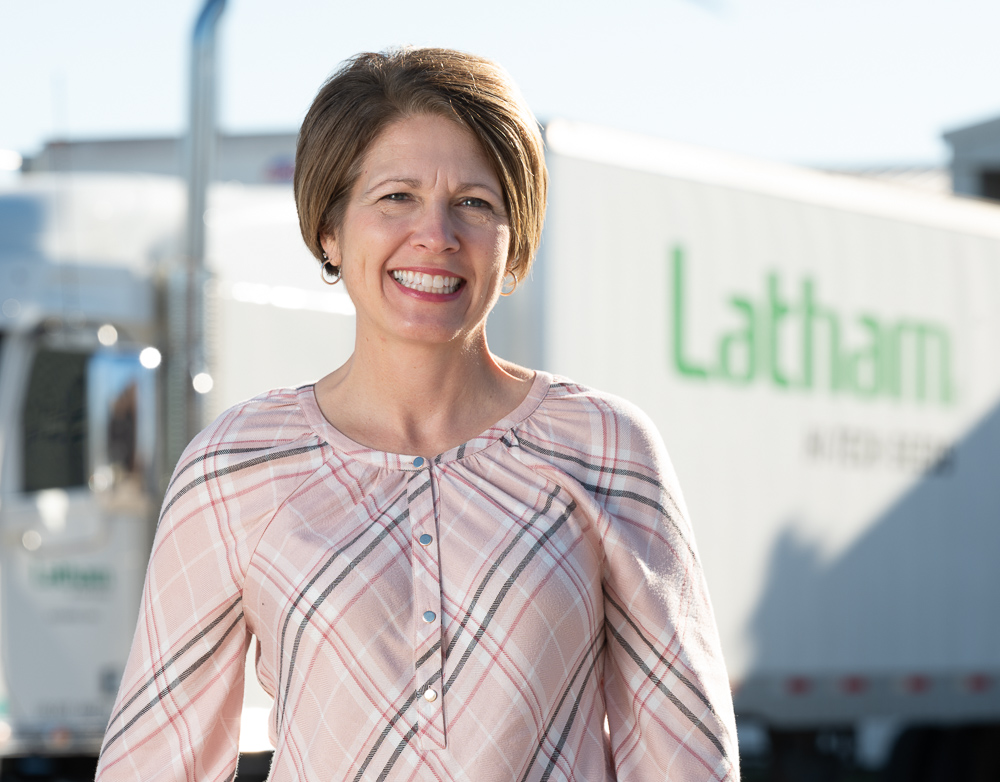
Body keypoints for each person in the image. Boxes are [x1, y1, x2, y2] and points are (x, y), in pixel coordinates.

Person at [96, 47, 739, 781]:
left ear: (513, 241)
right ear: (330, 229)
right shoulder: (233, 467)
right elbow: (152, 762)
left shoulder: (605, 447)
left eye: (475, 202)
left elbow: (684, 756)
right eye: (396, 196)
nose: (436, 234)